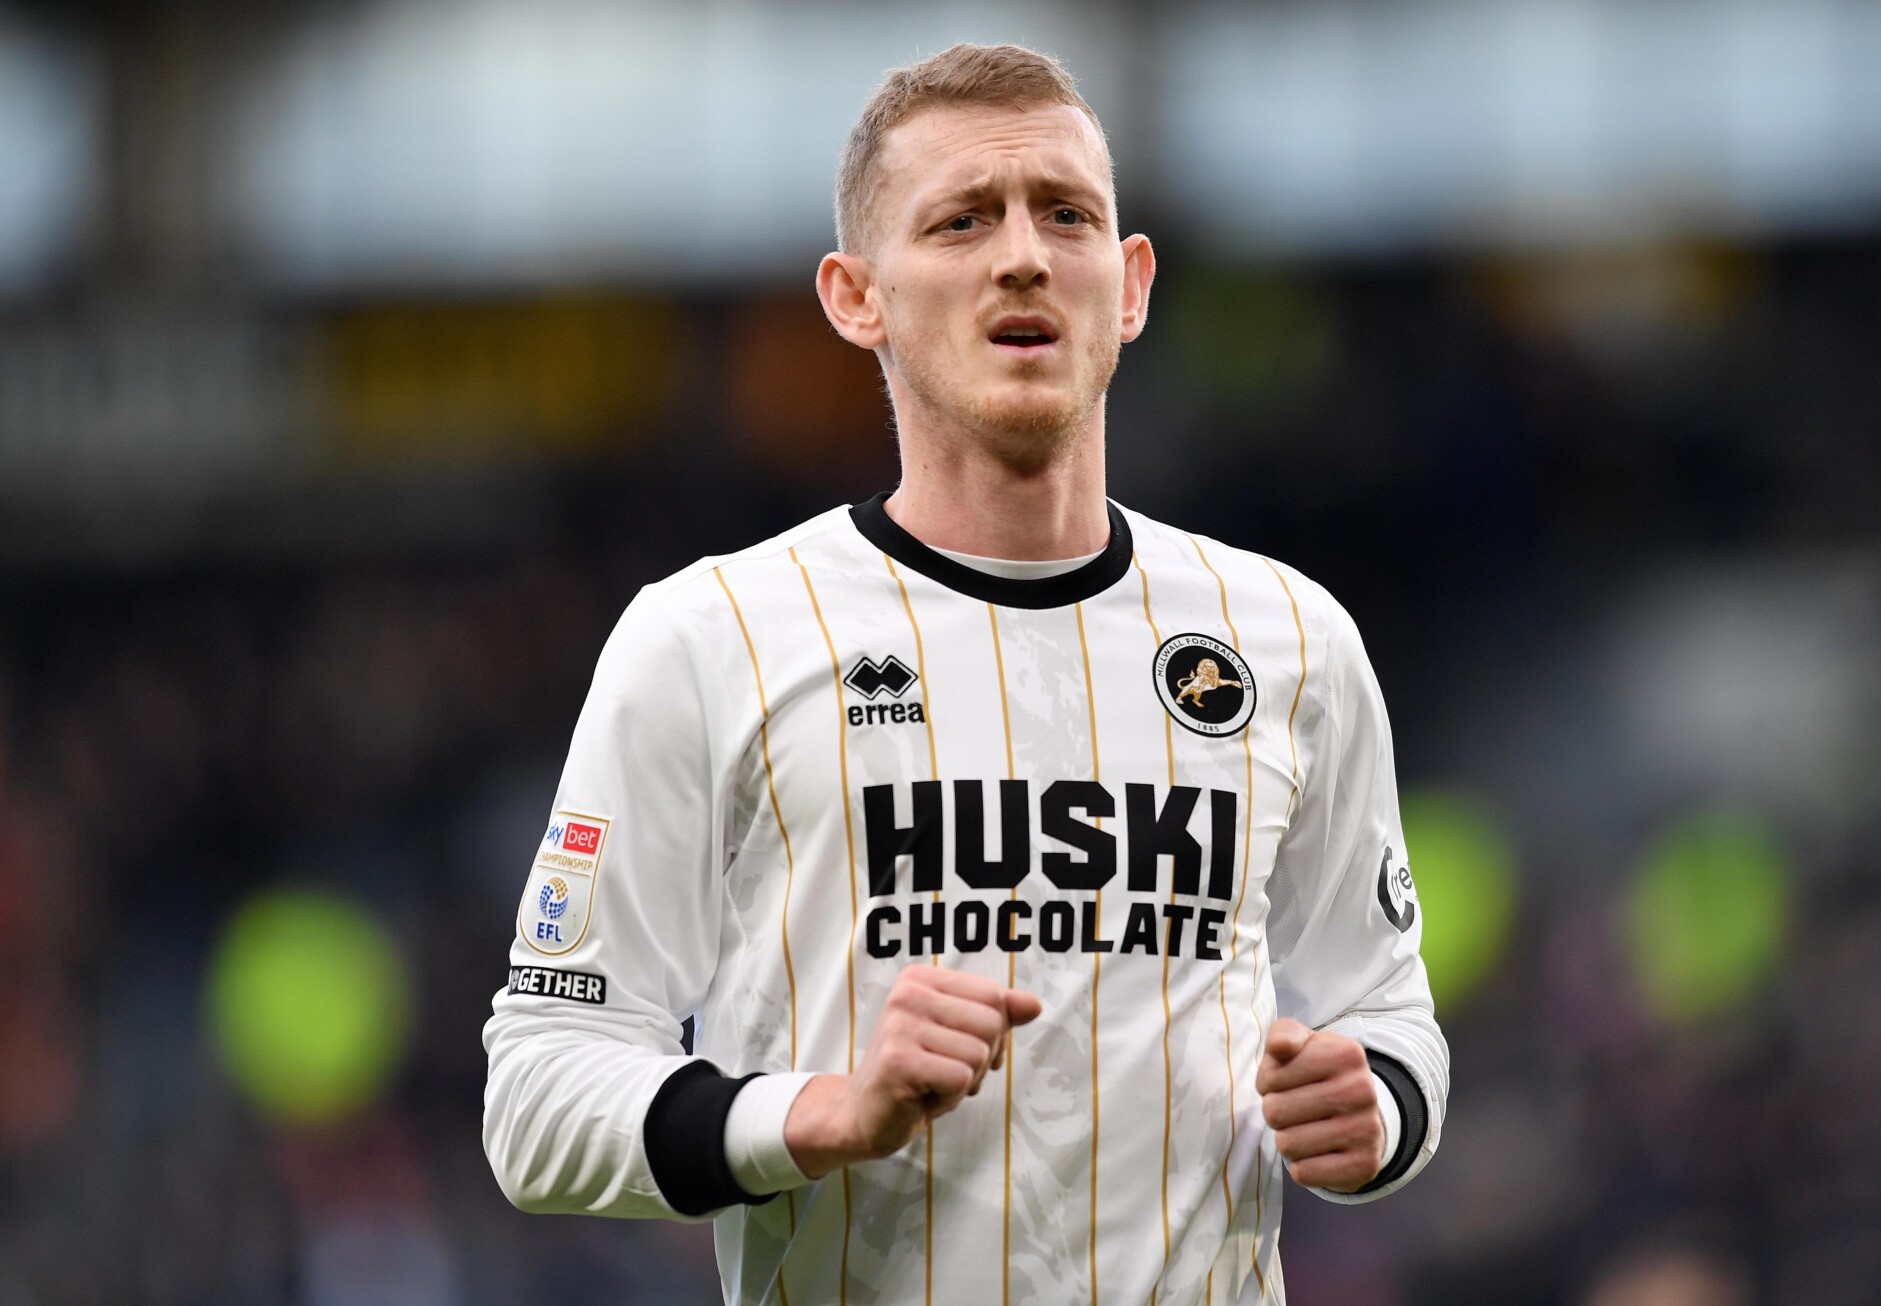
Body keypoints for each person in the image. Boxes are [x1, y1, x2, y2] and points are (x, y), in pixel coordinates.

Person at [482, 42, 1446, 1305]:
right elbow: (539, 1091)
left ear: (1130, 284)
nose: (1023, 256)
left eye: (1066, 214)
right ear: (855, 297)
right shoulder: (707, 637)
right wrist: (816, 1112)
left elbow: (1386, 1009)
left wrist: (1378, 1111)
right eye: (960, 221)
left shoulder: (1288, 637)